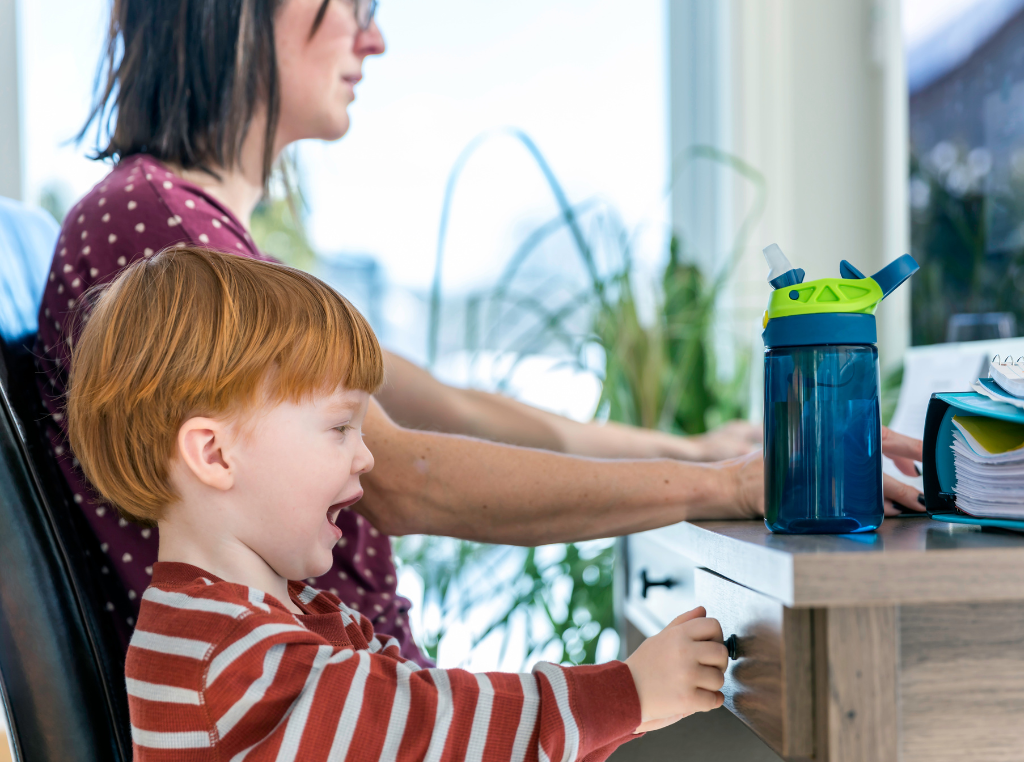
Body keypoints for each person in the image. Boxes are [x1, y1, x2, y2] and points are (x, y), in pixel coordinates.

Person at [36, 0, 926, 664]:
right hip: (315, 716)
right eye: (353, 7)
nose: (373, 38)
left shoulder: (206, 237)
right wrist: (720, 484)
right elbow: (407, 477)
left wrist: (692, 446)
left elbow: (450, 409)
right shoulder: (162, 239)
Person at [67, 246, 731, 761]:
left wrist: (631, 708)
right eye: (338, 429)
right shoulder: (234, 660)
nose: (366, 457)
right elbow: (428, 729)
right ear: (214, 455)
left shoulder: (250, 622)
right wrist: (628, 693)